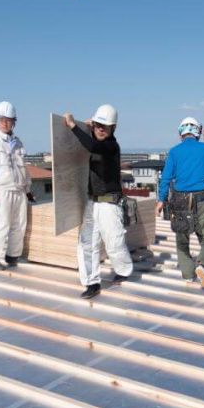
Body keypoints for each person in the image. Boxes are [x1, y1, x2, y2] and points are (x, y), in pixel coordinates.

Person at [64, 104, 134, 298]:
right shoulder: (94, 139)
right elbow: (91, 142)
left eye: (106, 126)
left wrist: (73, 126)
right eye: (98, 125)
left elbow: (95, 146)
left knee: (114, 243)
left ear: (113, 128)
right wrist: (88, 128)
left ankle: (123, 271)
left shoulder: (111, 146)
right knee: (87, 244)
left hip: (109, 203)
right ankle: (91, 283)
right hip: (92, 202)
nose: (101, 129)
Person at [157, 117, 204, 289]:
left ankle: (188, 275)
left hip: (179, 201)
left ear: (181, 132)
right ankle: (201, 264)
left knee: (182, 241)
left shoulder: (174, 152)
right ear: (197, 132)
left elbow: (165, 178)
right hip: (201, 199)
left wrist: (160, 200)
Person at [0, 100, 32, 269]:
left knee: (19, 224)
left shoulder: (18, 142)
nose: (4, 123)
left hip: (19, 189)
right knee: (3, 224)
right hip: (2, 190)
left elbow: (23, 168)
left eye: (8, 120)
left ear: (14, 122)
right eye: (1, 119)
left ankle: (12, 256)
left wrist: (28, 188)